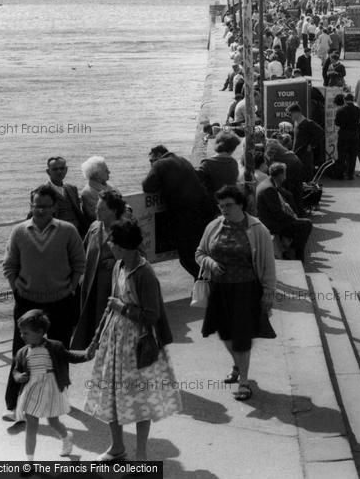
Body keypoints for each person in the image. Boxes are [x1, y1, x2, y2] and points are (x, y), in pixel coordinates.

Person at [84, 218, 181, 461]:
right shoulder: (119, 266)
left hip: (137, 344)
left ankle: (141, 455)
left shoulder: (144, 273)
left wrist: (123, 309)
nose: (109, 245)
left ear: (124, 246)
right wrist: (96, 339)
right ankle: (117, 447)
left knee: (140, 400)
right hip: (116, 341)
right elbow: (111, 306)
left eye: (112, 242)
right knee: (112, 397)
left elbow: (151, 314)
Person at [2, 185, 86, 420]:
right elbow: (9, 265)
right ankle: (14, 406)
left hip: (61, 301)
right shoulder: (19, 232)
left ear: (55, 208)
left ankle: (59, 398)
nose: (40, 210)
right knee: (20, 354)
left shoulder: (68, 231)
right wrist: (17, 288)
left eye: (45, 207)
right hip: (27, 302)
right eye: (36, 206)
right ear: (31, 206)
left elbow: (80, 263)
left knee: (59, 352)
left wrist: (71, 287)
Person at [196, 185, 276, 402]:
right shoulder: (214, 226)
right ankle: (238, 365)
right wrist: (210, 263)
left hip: (246, 290)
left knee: (241, 338)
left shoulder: (258, 230)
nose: (224, 209)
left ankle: (244, 382)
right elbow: (200, 253)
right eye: (221, 206)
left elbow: (268, 265)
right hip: (220, 289)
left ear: (240, 204)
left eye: (228, 205)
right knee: (225, 334)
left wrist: (268, 293)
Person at [12, 310, 88, 461]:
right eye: (21, 332)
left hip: (52, 389)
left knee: (53, 421)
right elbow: (15, 370)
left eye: (25, 333)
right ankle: (30, 461)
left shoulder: (55, 347)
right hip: (32, 390)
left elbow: (71, 357)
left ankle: (66, 437)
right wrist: (19, 376)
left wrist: (87, 354)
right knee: (31, 427)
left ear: (40, 332)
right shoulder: (22, 352)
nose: (22, 336)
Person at [142, 145, 217, 279]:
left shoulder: (160, 164)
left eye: (151, 161)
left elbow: (147, 186)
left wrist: (155, 170)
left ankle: (206, 284)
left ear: (159, 155)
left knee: (187, 258)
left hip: (185, 219)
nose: (151, 164)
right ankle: (206, 284)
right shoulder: (182, 160)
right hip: (202, 214)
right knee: (200, 253)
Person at [71, 189, 127, 350]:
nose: (96, 211)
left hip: (113, 286)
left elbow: (140, 255)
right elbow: (82, 250)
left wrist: (117, 259)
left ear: (114, 211)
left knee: (111, 320)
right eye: (97, 208)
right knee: (91, 319)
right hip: (91, 284)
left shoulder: (124, 228)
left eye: (101, 209)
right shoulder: (95, 226)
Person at [256, 163, 313, 262]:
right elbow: (278, 214)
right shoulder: (269, 189)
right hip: (270, 223)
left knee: (301, 223)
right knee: (306, 224)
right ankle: (296, 253)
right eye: (285, 173)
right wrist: (294, 219)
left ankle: (293, 250)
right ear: (281, 175)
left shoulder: (268, 183)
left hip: (269, 219)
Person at [45, 156, 88, 237]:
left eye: (62, 168)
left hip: (76, 232)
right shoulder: (42, 191)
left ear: (66, 169)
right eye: (55, 169)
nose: (59, 172)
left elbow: (78, 211)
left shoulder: (72, 189)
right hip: (56, 234)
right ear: (48, 171)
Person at [264, 139, 305, 216]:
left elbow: (269, 162)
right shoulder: (272, 142)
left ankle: (294, 212)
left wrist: (267, 171)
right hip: (296, 162)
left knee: (288, 190)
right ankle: (300, 212)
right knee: (297, 190)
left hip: (292, 166)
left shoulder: (270, 146)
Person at [197, 130, 240, 197]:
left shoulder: (207, 163)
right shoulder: (233, 163)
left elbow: (196, 183)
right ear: (233, 148)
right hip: (230, 199)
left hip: (212, 202)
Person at [288, 103, 324, 181]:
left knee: (306, 173)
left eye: (290, 114)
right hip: (297, 152)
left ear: (296, 113)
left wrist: (311, 144)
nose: (290, 117)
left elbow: (320, 132)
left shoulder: (308, 123)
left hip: (305, 154)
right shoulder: (296, 123)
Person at [334, 94, 360, 179]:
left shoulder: (340, 110)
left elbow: (337, 123)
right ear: (353, 99)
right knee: (352, 156)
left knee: (342, 155)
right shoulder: (358, 110)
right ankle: (350, 174)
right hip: (354, 135)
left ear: (344, 100)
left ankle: (340, 174)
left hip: (343, 135)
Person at [80, 156, 112, 223]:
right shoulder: (87, 193)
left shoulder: (109, 186)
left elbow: (124, 204)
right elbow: (97, 216)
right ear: (97, 175)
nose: (109, 172)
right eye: (106, 170)